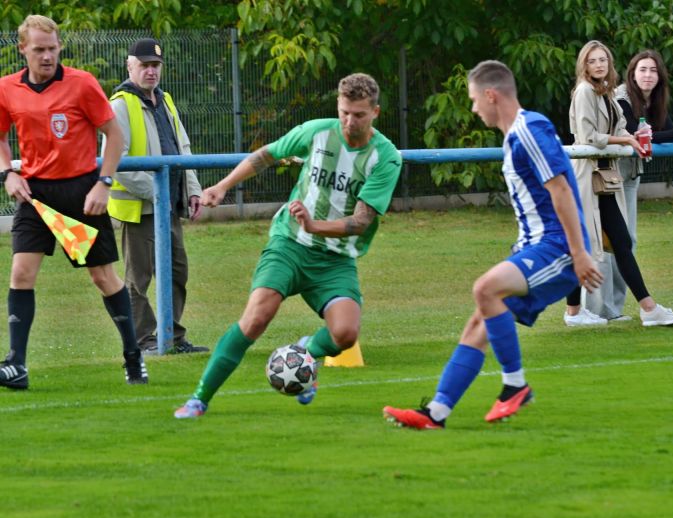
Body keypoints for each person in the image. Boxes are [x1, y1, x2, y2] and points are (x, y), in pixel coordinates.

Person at [382, 60, 603, 430]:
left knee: (485, 289)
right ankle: (436, 413)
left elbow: (562, 190)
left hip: (557, 248)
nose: (473, 109)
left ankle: (515, 385)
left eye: (473, 100)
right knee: (476, 324)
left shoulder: (529, 129)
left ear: (490, 95)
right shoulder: (514, 136)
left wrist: (578, 253)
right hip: (535, 247)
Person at [174, 72, 402, 418]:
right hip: (290, 244)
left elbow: (360, 222)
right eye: (343, 112)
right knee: (256, 318)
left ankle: (305, 350)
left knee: (345, 334)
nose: (349, 121)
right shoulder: (317, 132)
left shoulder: (385, 157)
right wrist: (222, 186)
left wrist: (315, 224)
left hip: (335, 259)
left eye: (358, 114)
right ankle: (199, 399)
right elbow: (267, 155)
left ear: (376, 113)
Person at [0, 15, 147, 389]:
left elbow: (114, 135)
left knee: (102, 277)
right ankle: (16, 364)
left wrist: (104, 184)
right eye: (39, 50)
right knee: (21, 274)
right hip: (37, 197)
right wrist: (8, 173)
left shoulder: (82, 84)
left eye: (52, 49)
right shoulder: (7, 88)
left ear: (59, 47)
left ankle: (133, 355)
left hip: (81, 195)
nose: (47, 56)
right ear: (22, 50)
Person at [563, 40, 673, 327]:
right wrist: (626, 139)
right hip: (587, 176)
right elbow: (589, 136)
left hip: (604, 176)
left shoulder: (604, 92)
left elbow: (616, 127)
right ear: (584, 65)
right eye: (593, 61)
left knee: (618, 242)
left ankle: (646, 308)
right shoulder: (584, 92)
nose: (599, 65)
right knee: (585, 245)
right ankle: (578, 312)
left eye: (603, 59)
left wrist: (632, 135)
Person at [104, 38, 208, 355]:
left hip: (169, 207)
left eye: (156, 65)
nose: (151, 71)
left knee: (177, 272)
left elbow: (183, 149)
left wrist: (192, 190)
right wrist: (158, 192)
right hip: (141, 210)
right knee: (139, 278)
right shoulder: (120, 105)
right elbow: (116, 162)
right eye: (145, 65)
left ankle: (172, 336)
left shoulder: (166, 101)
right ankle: (145, 339)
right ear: (130, 65)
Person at [600, 49, 673, 319]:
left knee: (626, 243)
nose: (648, 75)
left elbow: (663, 133)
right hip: (608, 179)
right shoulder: (621, 98)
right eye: (643, 69)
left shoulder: (654, 101)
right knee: (612, 244)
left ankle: (614, 309)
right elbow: (639, 135)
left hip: (629, 179)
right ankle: (603, 309)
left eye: (653, 70)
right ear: (632, 74)